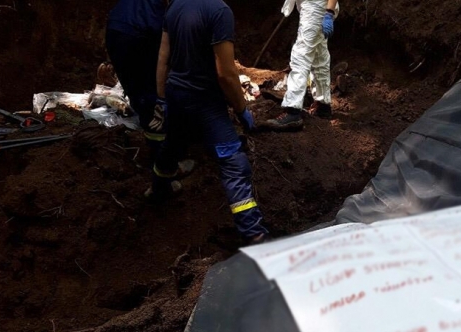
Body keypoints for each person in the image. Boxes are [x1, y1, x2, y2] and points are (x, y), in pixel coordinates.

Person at [147, 0, 270, 244]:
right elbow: (225, 73)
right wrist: (242, 109)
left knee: (171, 146)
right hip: (205, 101)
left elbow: (163, 59)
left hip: (176, 95)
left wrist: (162, 99)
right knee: (234, 163)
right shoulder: (219, 11)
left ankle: (158, 190)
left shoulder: (175, 7)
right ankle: (253, 233)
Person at [105, 0, 194, 175]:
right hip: (141, 31)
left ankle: (158, 149)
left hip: (116, 26)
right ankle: (165, 162)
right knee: (152, 93)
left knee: (137, 89)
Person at [266, 0, 339, 131]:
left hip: (317, 7)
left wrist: (329, 12)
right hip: (315, 7)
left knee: (300, 56)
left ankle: (293, 111)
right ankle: (323, 106)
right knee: (319, 56)